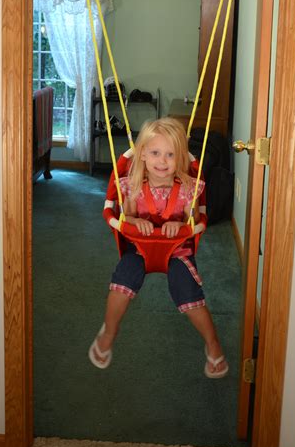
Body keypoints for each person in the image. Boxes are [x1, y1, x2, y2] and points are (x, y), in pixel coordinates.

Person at [89, 117, 228, 378]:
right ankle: (109, 331)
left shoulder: (188, 188)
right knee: (123, 279)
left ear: (181, 159)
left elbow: (194, 220)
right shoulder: (131, 186)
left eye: (170, 155)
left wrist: (181, 225)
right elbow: (124, 216)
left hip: (177, 250)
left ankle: (212, 342)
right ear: (142, 154)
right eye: (155, 153)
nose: (162, 161)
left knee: (187, 289)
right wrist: (134, 220)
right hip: (139, 248)